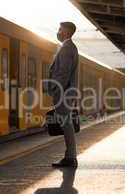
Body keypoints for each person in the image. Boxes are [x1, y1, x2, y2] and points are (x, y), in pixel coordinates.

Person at [48, 22, 79, 168]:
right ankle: (70, 157)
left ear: (66, 32)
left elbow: (64, 72)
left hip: (63, 92)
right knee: (67, 124)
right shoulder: (69, 47)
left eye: (60, 29)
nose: (58, 32)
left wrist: (55, 88)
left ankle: (70, 158)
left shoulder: (67, 48)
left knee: (66, 124)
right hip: (66, 91)